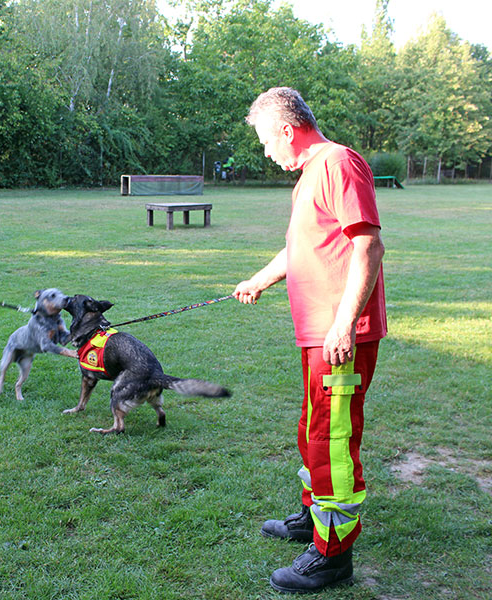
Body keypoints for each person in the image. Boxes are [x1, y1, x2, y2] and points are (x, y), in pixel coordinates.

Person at [235, 87, 386, 593]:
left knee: (333, 441)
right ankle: (310, 516)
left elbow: (367, 243)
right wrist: (259, 280)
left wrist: (344, 322)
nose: (264, 151)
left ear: (285, 129)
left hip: (340, 335)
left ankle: (332, 556)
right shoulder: (308, 177)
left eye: (263, 140)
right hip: (318, 336)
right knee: (312, 429)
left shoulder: (338, 162)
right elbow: (300, 249)